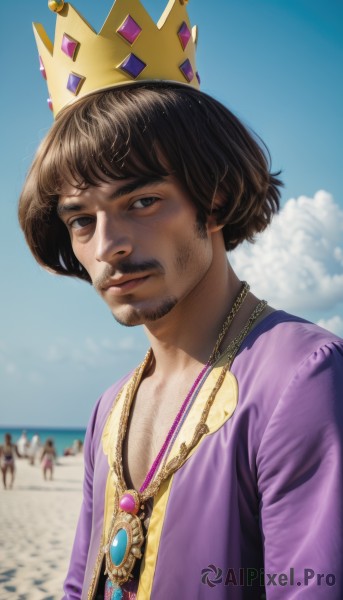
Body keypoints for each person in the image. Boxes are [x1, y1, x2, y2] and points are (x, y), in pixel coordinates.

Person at [19, 1, 343, 599]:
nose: (109, 246)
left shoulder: (301, 379)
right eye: (81, 221)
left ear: (213, 200)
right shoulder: (109, 409)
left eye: (141, 202)